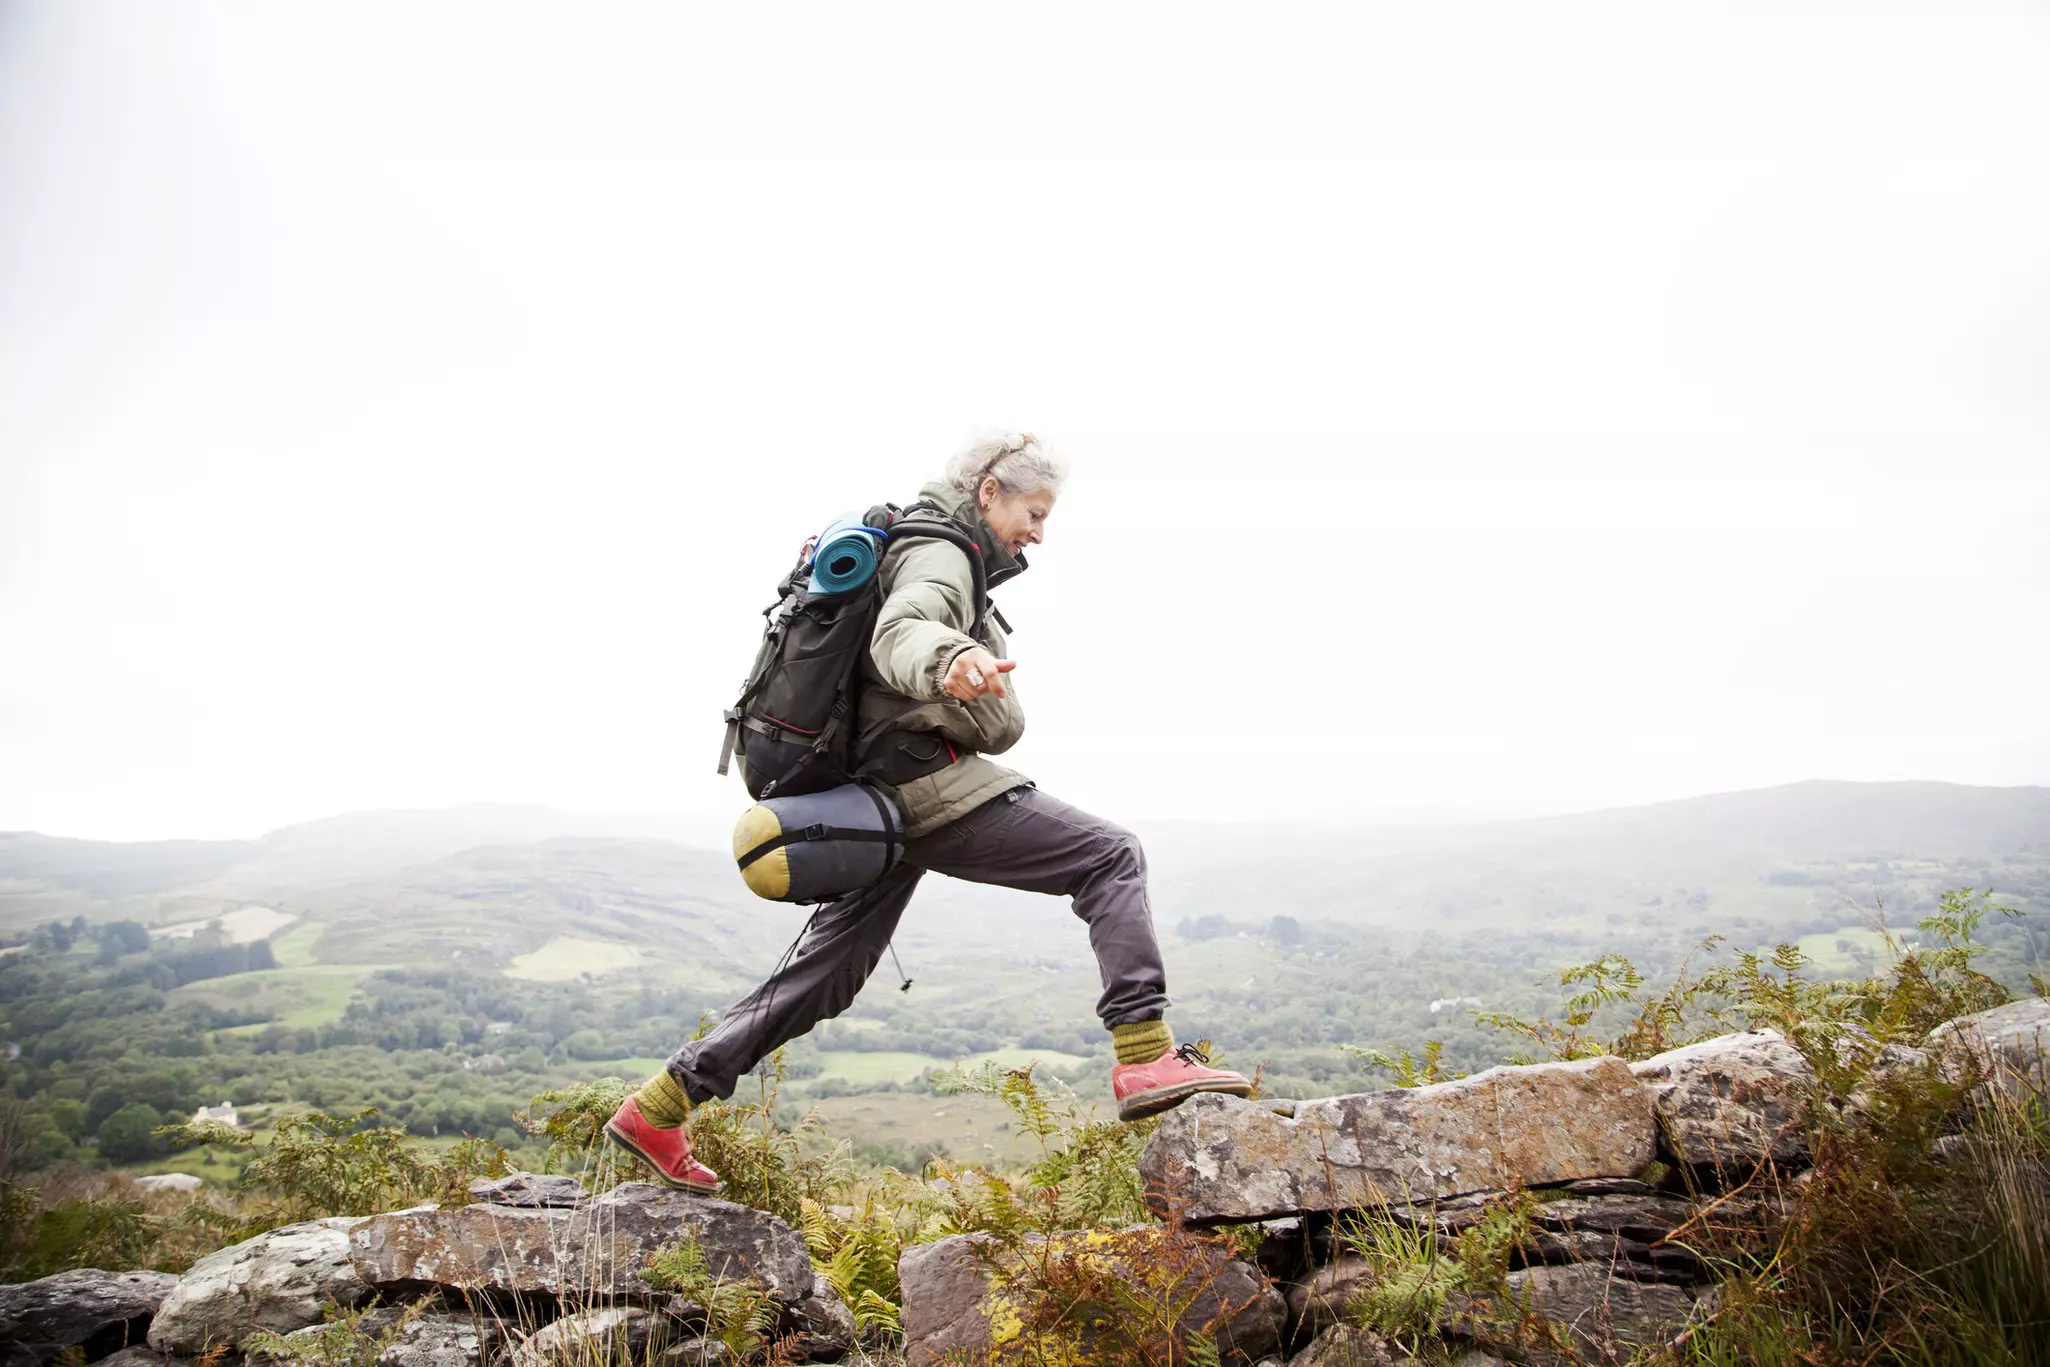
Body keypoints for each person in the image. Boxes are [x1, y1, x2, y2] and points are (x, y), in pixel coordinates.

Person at [605, 430, 1250, 1192]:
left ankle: (661, 1104)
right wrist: (949, 659)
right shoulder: (942, 553)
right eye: (1034, 511)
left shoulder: (922, 540)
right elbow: (904, 629)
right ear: (988, 491)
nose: (1040, 531)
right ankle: (1145, 1055)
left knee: (827, 975)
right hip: (923, 792)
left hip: (875, 803)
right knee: (1108, 856)